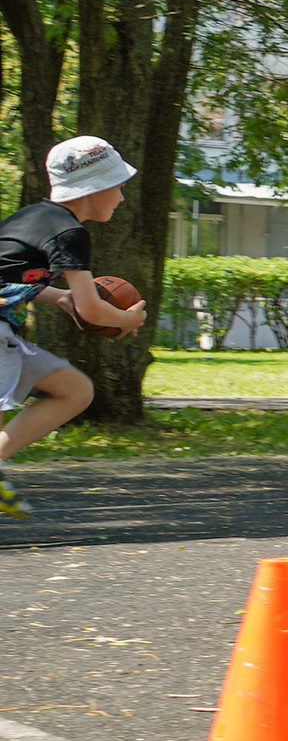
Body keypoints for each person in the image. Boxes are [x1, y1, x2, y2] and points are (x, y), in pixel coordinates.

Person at [0, 137, 150, 517]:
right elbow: (94, 310)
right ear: (95, 189)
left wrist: (59, 298)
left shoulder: (31, 216)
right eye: (118, 186)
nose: (121, 197)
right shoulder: (70, 233)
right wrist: (128, 319)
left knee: (75, 390)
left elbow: (11, 280)